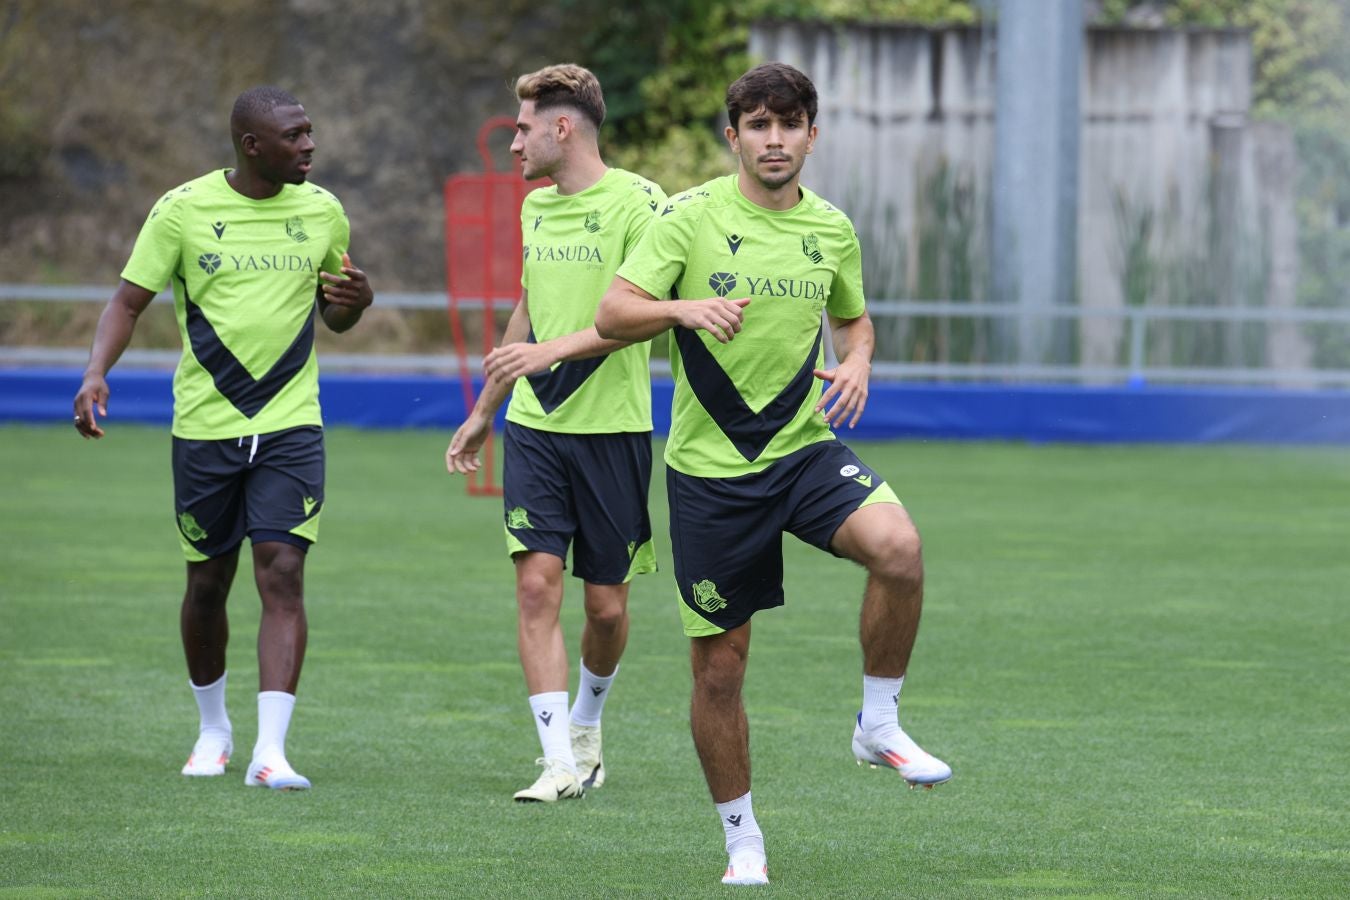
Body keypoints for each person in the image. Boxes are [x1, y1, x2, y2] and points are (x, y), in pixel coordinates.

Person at [595, 62, 951, 885]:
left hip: (802, 453)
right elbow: (614, 313)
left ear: (812, 136)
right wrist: (680, 309)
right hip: (711, 476)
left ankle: (880, 723)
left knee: (900, 549)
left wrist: (857, 361)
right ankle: (742, 837)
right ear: (734, 137)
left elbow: (855, 323)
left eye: (789, 124)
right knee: (721, 670)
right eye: (758, 125)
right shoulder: (687, 220)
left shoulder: (831, 229)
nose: (775, 139)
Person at [73, 86, 374, 792]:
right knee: (208, 584)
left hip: (291, 424)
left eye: (309, 133)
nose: (308, 145)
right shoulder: (182, 211)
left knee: (283, 572)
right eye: (294, 136)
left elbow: (337, 314)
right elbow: (127, 301)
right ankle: (214, 729)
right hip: (205, 428)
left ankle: (272, 752)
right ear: (251, 146)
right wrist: (94, 372)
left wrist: (356, 305)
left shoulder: (323, 210)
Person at [446, 64, 666, 803]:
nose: (513, 143)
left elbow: (634, 321)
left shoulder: (642, 204)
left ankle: (587, 728)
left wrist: (544, 353)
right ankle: (557, 762)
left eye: (521, 128)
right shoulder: (534, 209)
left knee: (605, 607)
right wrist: (486, 408)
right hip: (535, 427)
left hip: (615, 432)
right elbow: (529, 308)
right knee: (537, 587)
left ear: (561, 127)